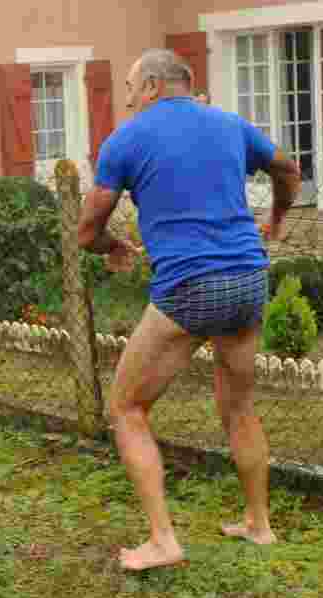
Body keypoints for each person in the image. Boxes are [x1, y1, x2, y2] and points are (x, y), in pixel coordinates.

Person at [76, 49, 302, 571]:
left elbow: (86, 230)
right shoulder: (229, 123)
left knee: (127, 409)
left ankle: (163, 541)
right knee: (239, 407)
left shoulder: (125, 140)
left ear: (153, 85)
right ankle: (259, 525)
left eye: (131, 85)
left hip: (189, 289)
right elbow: (287, 169)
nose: (128, 96)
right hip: (248, 281)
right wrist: (278, 217)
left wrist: (113, 247)